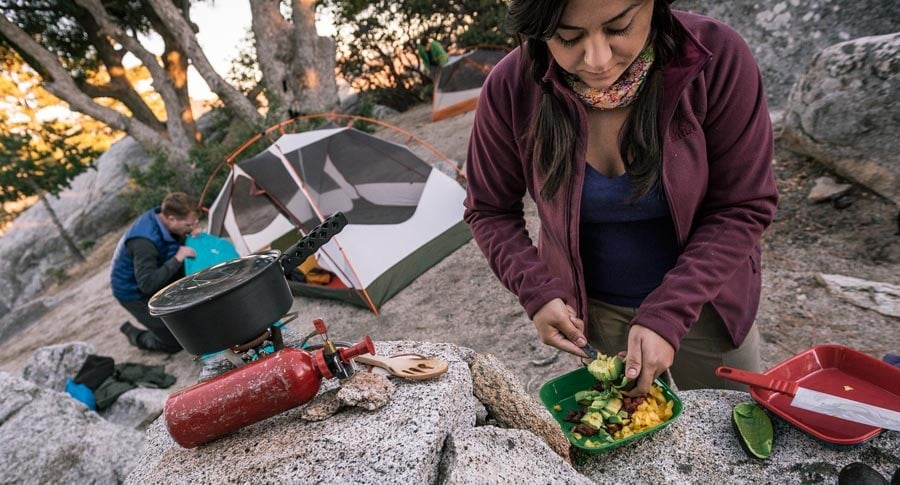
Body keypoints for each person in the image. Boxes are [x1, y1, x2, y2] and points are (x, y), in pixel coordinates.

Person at [463, 0, 778, 395]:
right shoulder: (510, 87)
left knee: (732, 425)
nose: (597, 60)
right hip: (596, 316)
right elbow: (489, 210)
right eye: (567, 37)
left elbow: (743, 204)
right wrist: (538, 292)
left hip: (707, 303)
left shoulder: (717, 58)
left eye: (620, 27)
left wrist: (670, 310)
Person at [110, 192, 199, 353]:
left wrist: (190, 235)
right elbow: (147, 284)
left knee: (190, 319)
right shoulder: (144, 242)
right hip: (134, 292)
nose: (192, 228)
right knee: (176, 341)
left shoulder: (166, 215)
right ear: (172, 219)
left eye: (195, 223)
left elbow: (177, 239)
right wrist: (177, 258)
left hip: (158, 269)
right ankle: (134, 334)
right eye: (188, 225)